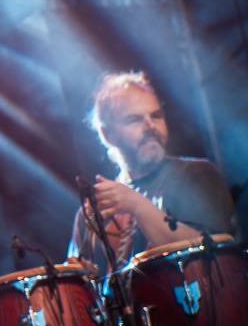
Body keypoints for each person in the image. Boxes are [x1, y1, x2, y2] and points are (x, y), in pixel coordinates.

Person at [68, 70, 237, 268]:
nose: (151, 126)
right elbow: (75, 283)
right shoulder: (95, 209)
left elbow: (217, 256)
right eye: (135, 119)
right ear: (108, 134)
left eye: (156, 116)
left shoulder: (197, 175)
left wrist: (138, 206)